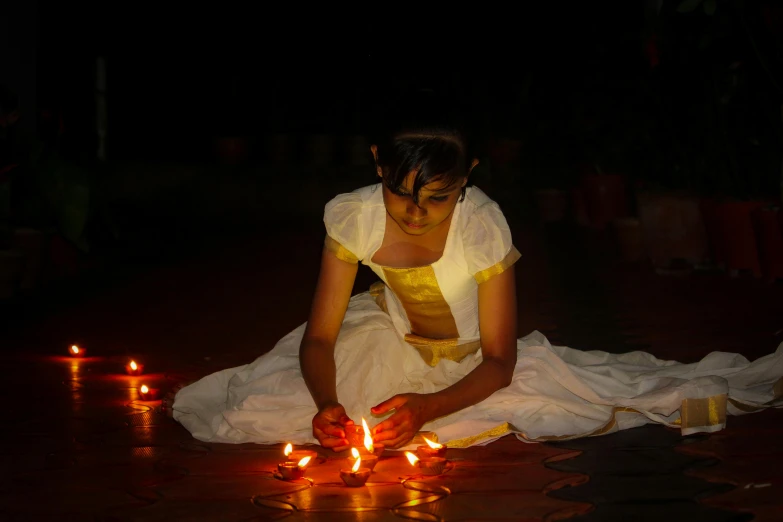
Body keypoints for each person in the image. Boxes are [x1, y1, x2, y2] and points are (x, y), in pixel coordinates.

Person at [171, 89, 782, 451]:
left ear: (468, 178)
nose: (415, 214)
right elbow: (322, 338)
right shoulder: (352, 216)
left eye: (437, 196)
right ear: (377, 162)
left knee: (573, 397)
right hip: (384, 341)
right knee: (266, 408)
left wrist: (428, 408)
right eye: (400, 193)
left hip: (472, 364)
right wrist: (326, 402)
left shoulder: (483, 224)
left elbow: (499, 362)